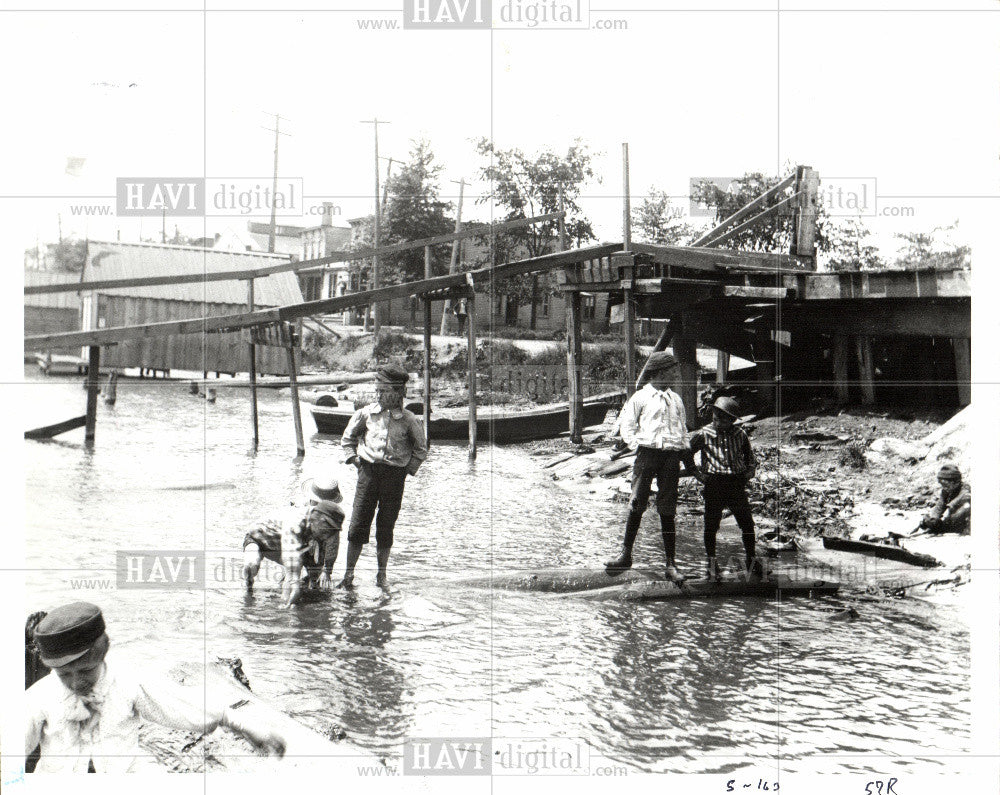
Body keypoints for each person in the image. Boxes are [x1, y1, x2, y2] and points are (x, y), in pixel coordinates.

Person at [24, 602, 286, 773]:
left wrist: (245, 726)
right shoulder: (40, 697)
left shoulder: (127, 681)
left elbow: (183, 706)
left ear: (102, 655)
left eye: (85, 670)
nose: (76, 682)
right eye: (64, 675)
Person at [340, 363, 428, 588]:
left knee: (386, 526)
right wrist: (356, 461)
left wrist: (406, 471)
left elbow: (421, 450)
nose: (378, 394)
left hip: (394, 478)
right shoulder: (366, 414)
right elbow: (348, 439)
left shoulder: (409, 420)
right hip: (367, 473)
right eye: (377, 390)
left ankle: (381, 576)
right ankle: (348, 575)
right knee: (358, 523)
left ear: (399, 393)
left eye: (384, 391)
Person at [605, 351, 689, 583]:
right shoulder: (640, 398)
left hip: (671, 457)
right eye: (672, 370)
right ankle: (625, 555)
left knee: (668, 508)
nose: (675, 374)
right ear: (661, 372)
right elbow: (627, 427)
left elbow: (682, 429)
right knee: (636, 503)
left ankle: (671, 564)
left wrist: (683, 452)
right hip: (646, 455)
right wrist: (637, 445)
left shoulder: (676, 400)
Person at [685, 396, 762, 581]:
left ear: (732, 420)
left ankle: (751, 559)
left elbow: (749, 457)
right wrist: (697, 473)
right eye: (715, 417)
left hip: (736, 483)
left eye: (723, 418)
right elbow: (686, 453)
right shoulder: (704, 434)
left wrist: (750, 471)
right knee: (711, 525)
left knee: (747, 524)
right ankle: (712, 564)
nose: (717, 421)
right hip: (714, 483)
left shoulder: (740, 434)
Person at [242, 476, 345, 606]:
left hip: (293, 541)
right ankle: (248, 589)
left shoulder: (331, 516)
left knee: (313, 579)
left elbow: (333, 544)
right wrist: (289, 600)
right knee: (252, 564)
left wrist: (327, 571)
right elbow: (292, 558)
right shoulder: (296, 517)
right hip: (261, 539)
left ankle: (300, 586)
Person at [920, 464, 971, 534]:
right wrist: (933, 519)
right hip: (952, 518)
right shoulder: (946, 491)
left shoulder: (965, 490)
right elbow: (939, 506)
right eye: (942, 485)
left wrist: (942, 522)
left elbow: (955, 503)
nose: (944, 488)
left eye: (946, 485)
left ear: (956, 482)